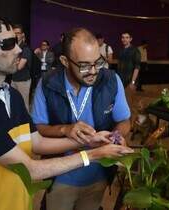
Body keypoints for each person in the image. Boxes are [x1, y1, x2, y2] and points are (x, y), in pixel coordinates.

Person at [0, 12, 133, 210]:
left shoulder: (11, 95)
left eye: (17, 41)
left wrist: (91, 140)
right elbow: (30, 170)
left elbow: (37, 142)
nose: (19, 49)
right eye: (7, 44)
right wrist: (94, 154)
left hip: (19, 202)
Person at [32, 28, 131, 210]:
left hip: (99, 175)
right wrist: (65, 129)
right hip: (61, 175)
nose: (93, 71)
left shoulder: (111, 81)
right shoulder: (47, 84)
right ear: (64, 61)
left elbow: (124, 121)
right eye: (84, 66)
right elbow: (39, 127)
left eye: (98, 63)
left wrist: (115, 136)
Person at [11, 24, 32, 111]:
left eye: (18, 33)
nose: (16, 35)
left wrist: (10, 63)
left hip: (23, 81)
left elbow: (19, 67)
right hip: (13, 79)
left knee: (24, 106)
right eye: (14, 33)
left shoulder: (25, 49)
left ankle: (25, 124)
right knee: (14, 104)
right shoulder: (12, 48)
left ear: (22, 34)